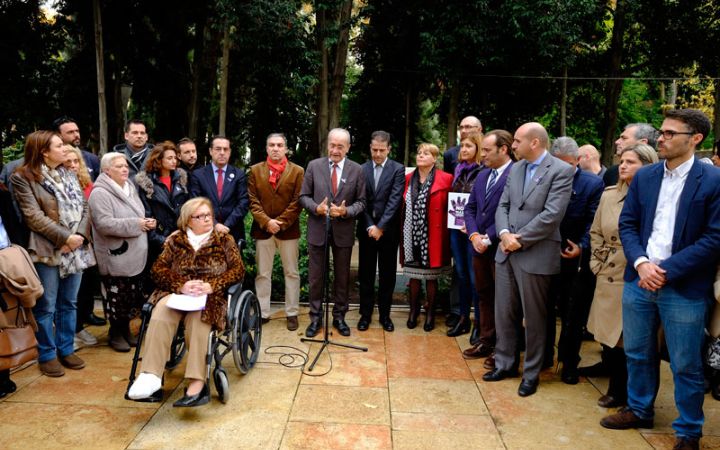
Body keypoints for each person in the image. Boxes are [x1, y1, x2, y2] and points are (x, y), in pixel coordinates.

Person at [601, 109, 720, 450]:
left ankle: (688, 430)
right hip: (639, 280)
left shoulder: (713, 181)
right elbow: (629, 223)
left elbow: (714, 237)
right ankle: (639, 409)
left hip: (683, 287)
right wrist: (641, 263)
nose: (661, 139)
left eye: (670, 133)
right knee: (637, 353)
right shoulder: (646, 176)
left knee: (686, 363)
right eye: (662, 133)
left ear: (695, 139)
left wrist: (665, 270)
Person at [482, 122, 573, 397]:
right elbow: (504, 205)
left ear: (535, 143)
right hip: (506, 252)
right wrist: (505, 233)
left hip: (536, 253)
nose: (514, 145)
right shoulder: (517, 168)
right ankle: (505, 363)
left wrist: (518, 239)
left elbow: (552, 215)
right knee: (504, 312)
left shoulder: (561, 171)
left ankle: (532, 373)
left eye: (519, 140)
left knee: (535, 318)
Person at [127, 198, 244, 407]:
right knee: (160, 315)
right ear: (188, 220)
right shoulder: (175, 240)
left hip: (209, 297)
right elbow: (158, 269)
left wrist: (212, 285)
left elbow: (238, 270)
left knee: (199, 320)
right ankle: (150, 376)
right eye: (201, 216)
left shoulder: (224, 239)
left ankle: (198, 382)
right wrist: (181, 284)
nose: (207, 219)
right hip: (175, 293)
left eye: (209, 215)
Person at [10, 131, 95, 377]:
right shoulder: (23, 178)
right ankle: (47, 354)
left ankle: (66, 348)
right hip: (47, 250)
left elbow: (85, 206)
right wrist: (64, 238)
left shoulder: (68, 172)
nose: (65, 149)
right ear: (44, 151)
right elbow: (33, 216)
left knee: (69, 303)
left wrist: (78, 237)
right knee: (46, 305)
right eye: (59, 145)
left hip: (75, 249)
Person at [586, 144, 658, 408]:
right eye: (622, 160)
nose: (623, 166)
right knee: (607, 337)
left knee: (630, 340)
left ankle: (629, 394)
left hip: (635, 274)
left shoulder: (656, 198)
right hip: (607, 274)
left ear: (648, 165)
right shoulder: (609, 195)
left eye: (631, 162)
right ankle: (617, 388)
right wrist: (597, 263)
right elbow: (595, 232)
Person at [544, 137, 604, 383]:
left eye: (567, 164)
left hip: (576, 259)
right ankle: (544, 355)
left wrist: (581, 246)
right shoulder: (543, 178)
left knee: (573, 313)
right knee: (543, 309)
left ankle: (569, 362)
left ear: (578, 161)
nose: (562, 170)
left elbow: (594, 221)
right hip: (545, 255)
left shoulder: (592, 184)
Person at [299, 128, 366, 338]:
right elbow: (303, 196)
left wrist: (346, 211)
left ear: (348, 148)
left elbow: (362, 202)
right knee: (316, 277)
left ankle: (339, 317)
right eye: (332, 145)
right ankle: (316, 318)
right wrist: (315, 208)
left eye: (340, 146)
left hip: (343, 231)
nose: (335, 150)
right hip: (318, 230)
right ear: (327, 145)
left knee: (342, 277)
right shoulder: (314, 166)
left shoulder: (357, 170)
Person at [89, 152, 155, 352]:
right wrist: (138, 224)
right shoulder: (100, 193)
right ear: (107, 170)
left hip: (135, 254)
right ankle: (115, 333)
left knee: (131, 296)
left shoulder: (129, 187)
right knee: (117, 296)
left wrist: (147, 222)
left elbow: (139, 213)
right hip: (115, 254)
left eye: (125, 165)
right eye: (119, 166)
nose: (125, 169)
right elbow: (103, 224)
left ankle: (125, 329)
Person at [462, 130, 514, 361]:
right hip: (479, 247)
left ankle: (503, 349)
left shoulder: (516, 174)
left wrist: (489, 238)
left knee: (504, 300)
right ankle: (486, 340)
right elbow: (470, 208)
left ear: (503, 149)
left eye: (486, 150)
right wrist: (474, 235)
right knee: (484, 294)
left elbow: (512, 213)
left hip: (502, 248)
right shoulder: (482, 175)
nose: (482, 155)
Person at [247, 133, 304, 330]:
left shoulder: (297, 171)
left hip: (288, 231)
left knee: (292, 273)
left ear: (286, 148)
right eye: (272, 145)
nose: (276, 148)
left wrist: (279, 222)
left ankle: (292, 312)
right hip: (263, 231)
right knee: (263, 273)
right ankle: (262, 312)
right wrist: (267, 222)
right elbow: (252, 201)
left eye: (280, 145)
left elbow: (298, 202)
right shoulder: (254, 171)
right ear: (266, 148)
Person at [356, 131, 405, 332]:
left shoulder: (397, 169)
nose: (377, 154)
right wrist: (370, 226)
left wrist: (381, 227)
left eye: (381, 150)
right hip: (367, 230)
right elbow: (361, 200)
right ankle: (365, 315)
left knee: (387, 275)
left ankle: (385, 315)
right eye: (374, 150)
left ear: (389, 149)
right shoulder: (361, 169)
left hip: (388, 232)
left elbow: (395, 201)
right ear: (370, 147)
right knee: (365, 274)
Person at [401, 143, 453, 332]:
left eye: (426, 153)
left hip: (433, 235)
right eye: (419, 152)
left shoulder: (446, 179)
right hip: (410, 234)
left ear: (434, 159)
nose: (420, 156)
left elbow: (452, 208)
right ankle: (413, 311)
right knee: (413, 276)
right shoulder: (407, 178)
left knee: (431, 277)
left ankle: (430, 313)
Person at [63, 146, 104, 350]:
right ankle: (69, 333)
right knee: (69, 295)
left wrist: (82, 235)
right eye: (67, 162)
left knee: (85, 288)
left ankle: (78, 327)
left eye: (75, 161)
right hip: (66, 244)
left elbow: (89, 210)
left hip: (88, 244)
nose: (72, 165)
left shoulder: (87, 182)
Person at [443, 115, 482, 327]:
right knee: (461, 272)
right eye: (462, 146)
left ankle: (479, 322)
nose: (463, 149)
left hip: (473, 231)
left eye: (468, 146)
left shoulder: (484, 171)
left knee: (475, 275)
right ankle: (463, 316)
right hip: (456, 227)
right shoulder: (457, 170)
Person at [134, 141, 190, 265]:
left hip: (181, 239)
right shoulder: (147, 184)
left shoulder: (181, 180)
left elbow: (188, 210)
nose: (174, 161)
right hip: (158, 242)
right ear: (159, 160)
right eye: (169, 158)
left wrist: (182, 235)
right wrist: (162, 240)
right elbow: (146, 215)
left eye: (175, 158)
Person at [190, 136, 249, 244]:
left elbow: (243, 202)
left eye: (225, 149)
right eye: (218, 149)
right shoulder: (198, 175)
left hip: (232, 232)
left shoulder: (239, 174)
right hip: (205, 233)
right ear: (210, 151)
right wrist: (215, 224)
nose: (222, 152)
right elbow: (195, 203)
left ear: (230, 152)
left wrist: (226, 225)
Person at [53, 116, 101, 181]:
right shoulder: (53, 160)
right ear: (58, 135)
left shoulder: (91, 159)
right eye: (70, 132)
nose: (76, 135)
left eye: (77, 131)